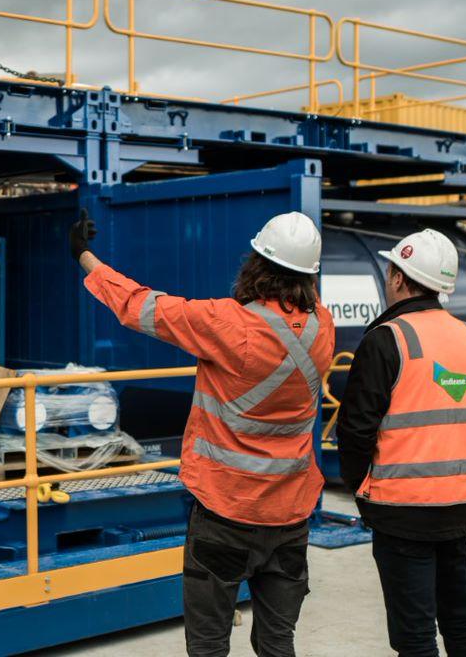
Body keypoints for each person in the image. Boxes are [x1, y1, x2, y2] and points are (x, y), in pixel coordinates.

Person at [72, 208, 335, 657]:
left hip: (225, 512)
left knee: (209, 645)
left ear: (257, 263)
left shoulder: (227, 323)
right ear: (310, 275)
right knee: (278, 642)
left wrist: (84, 256)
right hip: (290, 515)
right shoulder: (323, 327)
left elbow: (140, 306)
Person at [335, 228, 466, 657]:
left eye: (390, 270)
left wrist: (364, 495)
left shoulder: (386, 340)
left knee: (414, 634)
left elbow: (355, 432)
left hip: (401, 514)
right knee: (461, 619)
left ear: (398, 278)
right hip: (459, 510)